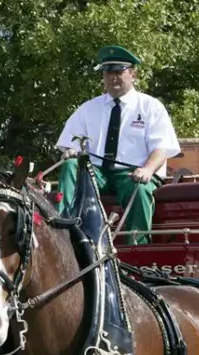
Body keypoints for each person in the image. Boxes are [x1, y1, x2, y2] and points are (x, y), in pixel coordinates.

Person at [55, 45, 181, 245]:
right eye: (107, 72)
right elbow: (70, 145)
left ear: (133, 74)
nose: (112, 77)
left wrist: (147, 170)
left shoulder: (150, 106)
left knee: (140, 189)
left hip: (133, 174)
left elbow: (161, 148)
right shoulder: (88, 109)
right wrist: (71, 152)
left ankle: (138, 249)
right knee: (70, 166)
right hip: (97, 173)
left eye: (118, 72)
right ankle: (63, 233)